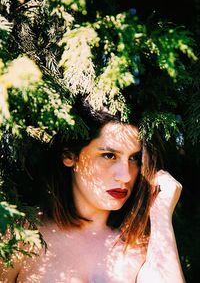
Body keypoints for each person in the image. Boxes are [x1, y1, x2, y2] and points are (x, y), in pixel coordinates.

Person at [0, 100, 186, 283]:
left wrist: (161, 214)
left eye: (134, 158)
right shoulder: (21, 235)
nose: (126, 176)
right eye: (109, 155)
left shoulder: (140, 247)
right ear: (69, 155)